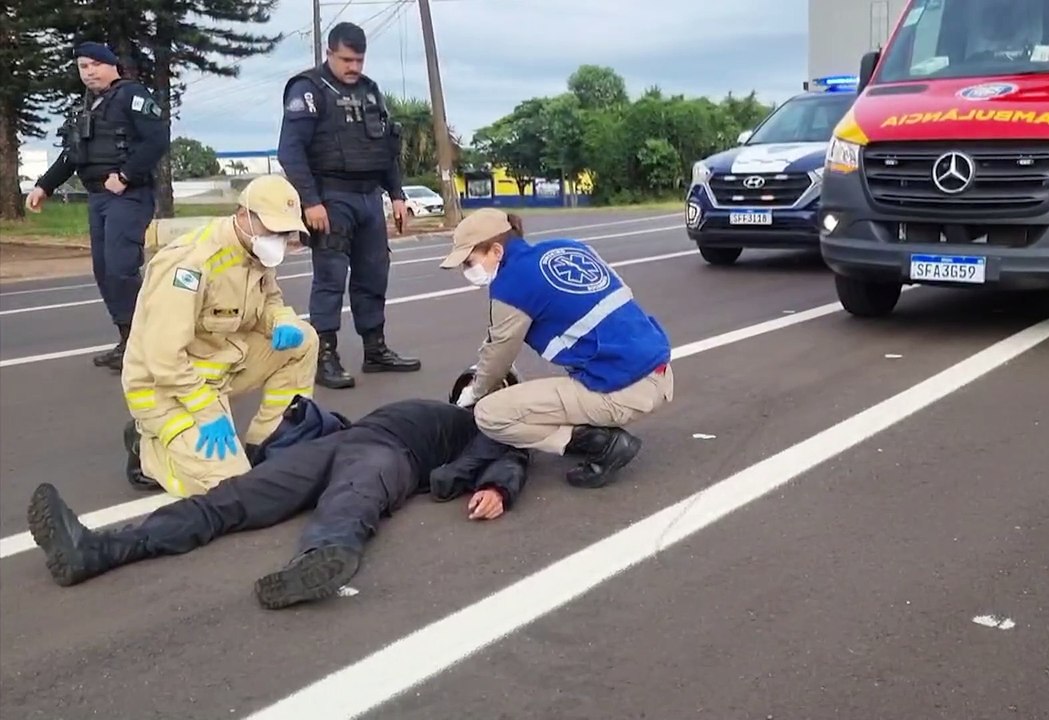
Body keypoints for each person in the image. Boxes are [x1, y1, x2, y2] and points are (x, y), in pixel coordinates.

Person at [26, 399, 530, 610]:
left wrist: (498, 489)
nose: (472, 392)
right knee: (230, 498)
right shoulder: (449, 408)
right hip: (345, 441)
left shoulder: (493, 431)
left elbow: (506, 462)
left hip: (389, 455)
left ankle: (319, 563)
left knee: (353, 500)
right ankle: (96, 550)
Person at [440, 208, 676, 489]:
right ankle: (595, 428)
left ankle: (602, 443)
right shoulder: (569, 246)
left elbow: (498, 358)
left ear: (496, 251)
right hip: (658, 370)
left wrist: (474, 394)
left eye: (469, 262)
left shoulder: (510, 285)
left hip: (622, 391)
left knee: (490, 414)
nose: (467, 271)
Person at [120, 174, 320, 497]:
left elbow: (270, 300)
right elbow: (163, 357)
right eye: (273, 229)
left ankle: (270, 440)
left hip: (218, 367)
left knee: (304, 339)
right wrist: (208, 412)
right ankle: (148, 452)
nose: (279, 239)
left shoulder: (254, 251)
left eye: (285, 232)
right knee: (230, 488)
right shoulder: (189, 265)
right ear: (243, 216)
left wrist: (280, 320)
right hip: (168, 388)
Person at [276, 20, 420, 390]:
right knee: (330, 279)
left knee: (374, 275)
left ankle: (375, 350)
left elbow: (385, 150)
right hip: (330, 197)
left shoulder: (371, 92)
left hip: (370, 197)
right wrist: (311, 201)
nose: (354, 67)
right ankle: (324, 356)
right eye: (346, 60)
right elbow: (291, 152)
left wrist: (398, 195)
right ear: (329, 53)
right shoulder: (309, 90)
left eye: (359, 60)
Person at [26, 42, 170, 372]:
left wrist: (126, 175)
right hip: (99, 198)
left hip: (128, 196)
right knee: (105, 272)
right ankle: (129, 340)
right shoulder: (90, 106)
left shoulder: (132, 95)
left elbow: (157, 139)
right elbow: (73, 154)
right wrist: (45, 185)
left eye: (94, 64)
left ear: (110, 65)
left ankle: (149, 343)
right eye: (82, 67)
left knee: (121, 268)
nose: (88, 72)